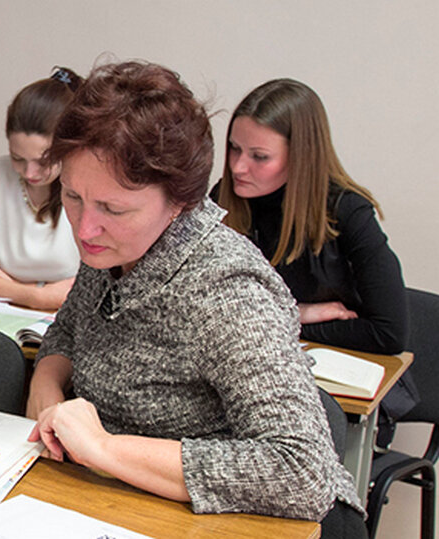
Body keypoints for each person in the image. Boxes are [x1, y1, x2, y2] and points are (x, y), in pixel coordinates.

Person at [26, 62, 364, 535]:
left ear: (180, 201)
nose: (84, 228)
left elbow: (301, 470)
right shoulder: (117, 246)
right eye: (73, 196)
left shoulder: (227, 290)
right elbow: (69, 328)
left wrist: (105, 448)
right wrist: (47, 382)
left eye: (113, 208)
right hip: (134, 504)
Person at [213, 78, 407, 355]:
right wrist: (299, 313)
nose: (238, 167)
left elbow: (388, 334)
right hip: (256, 358)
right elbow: (204, 306)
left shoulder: (348, 211)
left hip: (345, 375)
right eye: (234, 148)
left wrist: (282, 321)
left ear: (300, 157)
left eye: (260, 156)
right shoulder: (222, 199)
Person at [0, 68, 82, 310]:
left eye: (44, 161)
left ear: (69, 147)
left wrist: (9, 287)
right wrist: (38, 295)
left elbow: (94, 291)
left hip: (70, 321)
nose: (29, 173)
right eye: (18, 158)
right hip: (12, 316)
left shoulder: (87, 187)